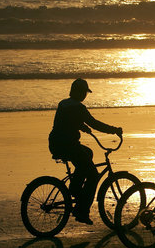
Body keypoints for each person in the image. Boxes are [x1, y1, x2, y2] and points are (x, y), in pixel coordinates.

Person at [48, 78, 122, 225]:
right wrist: (114, 130)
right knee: (93, 175)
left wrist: (80, 126)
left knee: (87, 153)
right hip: (68, 145)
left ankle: (75, 188)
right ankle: (82, 211)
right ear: (80, 93)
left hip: (56, 143)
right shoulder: (79, 108)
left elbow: (65, 121)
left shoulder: (63, 104)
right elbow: (95, 123)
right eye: (84, 92)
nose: (85, 96)